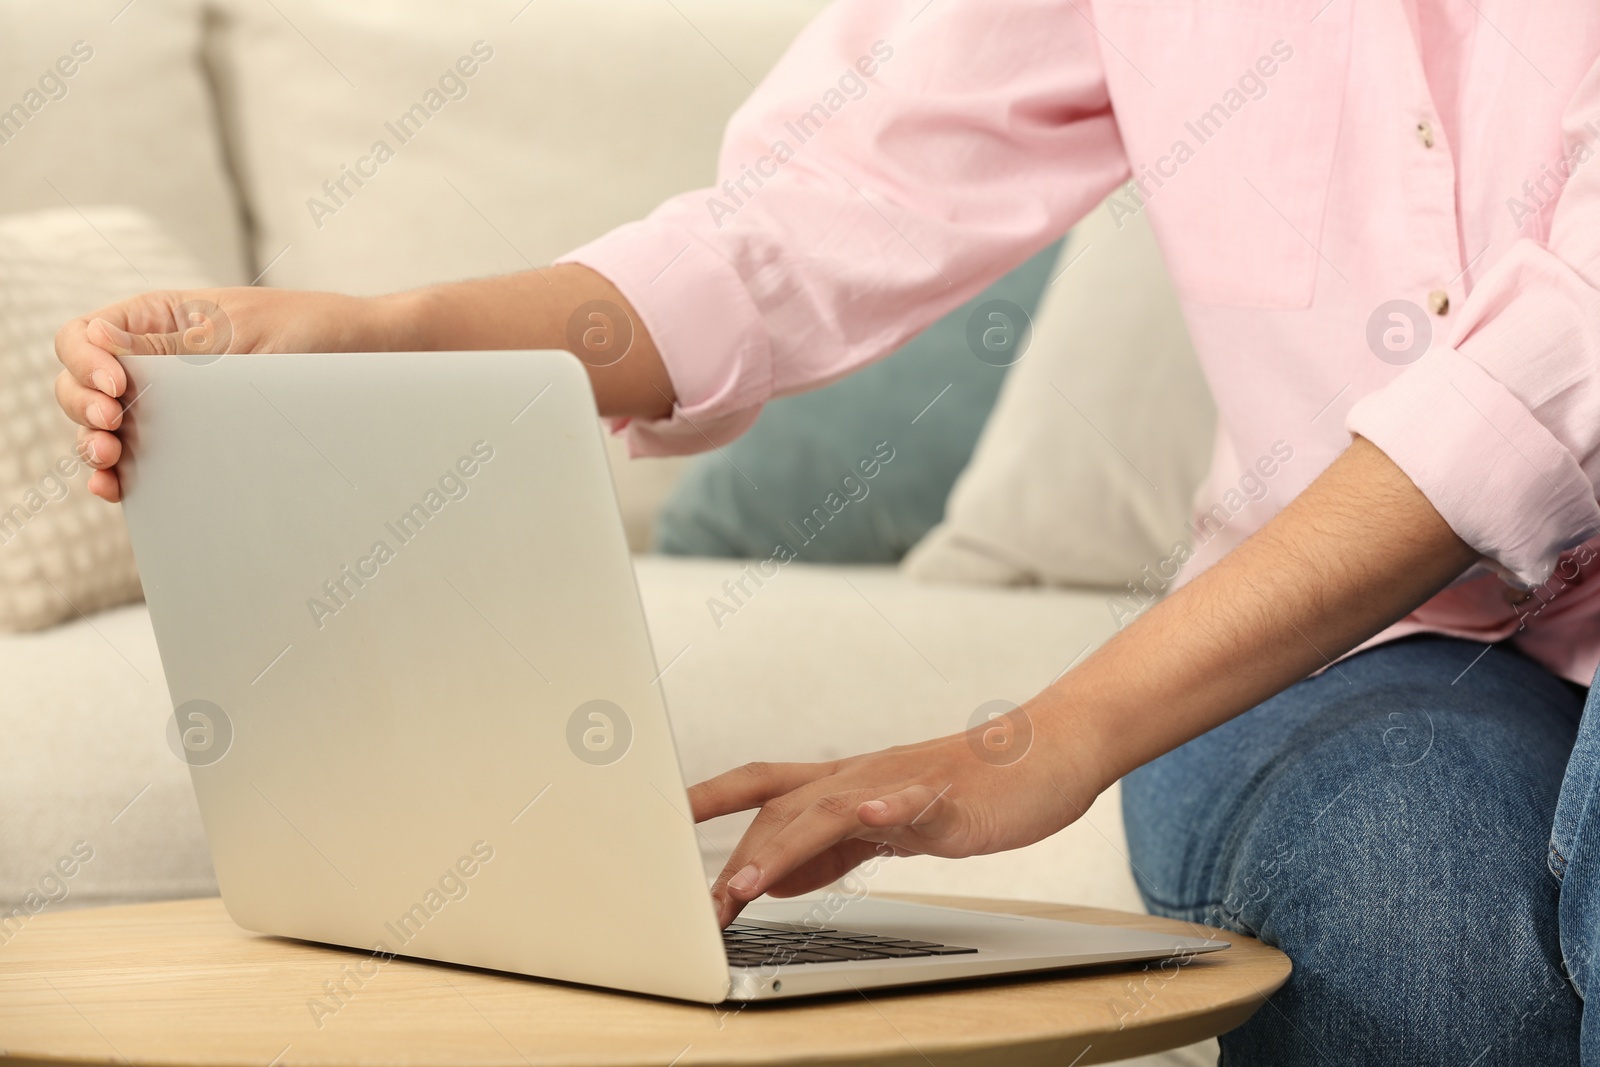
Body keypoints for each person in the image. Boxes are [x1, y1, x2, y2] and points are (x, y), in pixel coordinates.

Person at [52, 2, 1600, 1061]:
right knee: (1419, 908)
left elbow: (1551, 373)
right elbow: (795, 230)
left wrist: (1034, 745)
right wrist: (388, 336)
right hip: (1329, 653)